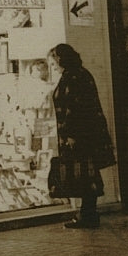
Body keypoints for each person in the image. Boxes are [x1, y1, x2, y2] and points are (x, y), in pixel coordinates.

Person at [47, 43, 116, 229]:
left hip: (79, 135)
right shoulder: (79, 74)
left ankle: (88, 215)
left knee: (84, 172)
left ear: (61, 60)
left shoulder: (73, 77)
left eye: (54, 64)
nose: (53, 67)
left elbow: (76, 107)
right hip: (85, 134)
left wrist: (71, 134)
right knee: (86, 172)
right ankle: (88, 213)